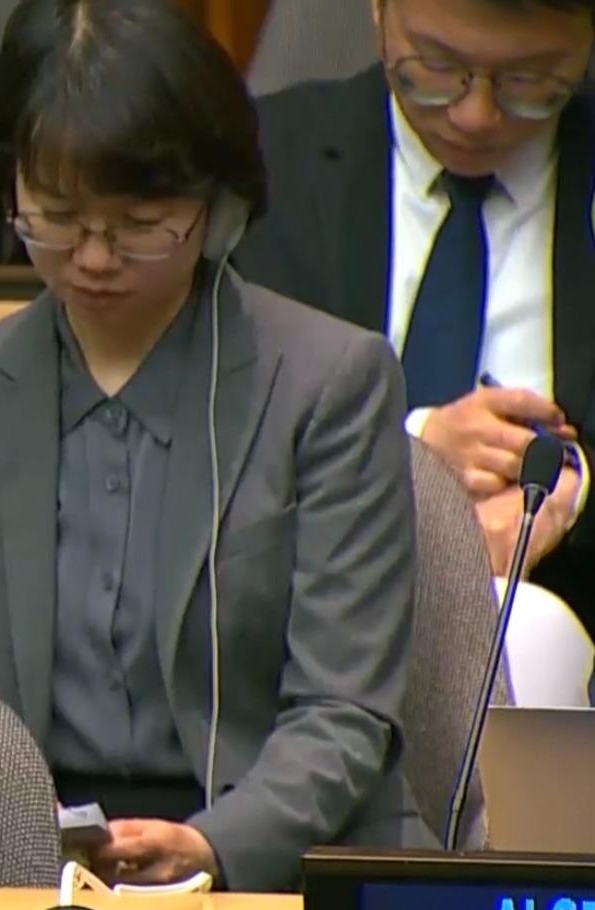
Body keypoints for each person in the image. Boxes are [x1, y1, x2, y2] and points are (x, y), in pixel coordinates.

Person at [0, 0, 422, 892]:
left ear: (218, 209)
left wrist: (215, 844)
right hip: (33, 870)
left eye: (140, 221)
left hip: (281, 865)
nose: (94, 257)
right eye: (57, 217)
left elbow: (343, 711)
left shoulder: (330, 383)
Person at [234, 0, 595, 630]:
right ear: (378, 10)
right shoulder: (254, 168)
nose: (476, 115)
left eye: (529, 81)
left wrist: (569, 486)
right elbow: (199, 438)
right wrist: (407, 455)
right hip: (299, 639)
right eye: (436, 68)